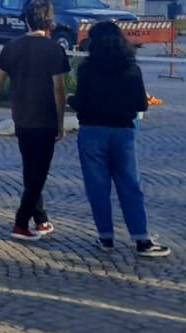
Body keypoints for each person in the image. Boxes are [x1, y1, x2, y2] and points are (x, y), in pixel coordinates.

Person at [70, 22, 170, 257]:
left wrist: (73, 100)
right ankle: (141, 239)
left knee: (98, 187)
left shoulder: (86, 69)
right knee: (130, 185)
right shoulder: (131, 68)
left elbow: (81, 102)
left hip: (92, 131)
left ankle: (105, 237)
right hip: (123, 131)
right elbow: (141, 104)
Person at [0, 0, 70, 240]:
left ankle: (41, 218)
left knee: (30, 169)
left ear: (25, 20)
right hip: (46, 119)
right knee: (39, 173)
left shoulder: (12, 47)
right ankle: (21, 222)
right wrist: (61, 122)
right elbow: (59, 89)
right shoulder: (55, 50)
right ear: (49, 20)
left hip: (21, 117)